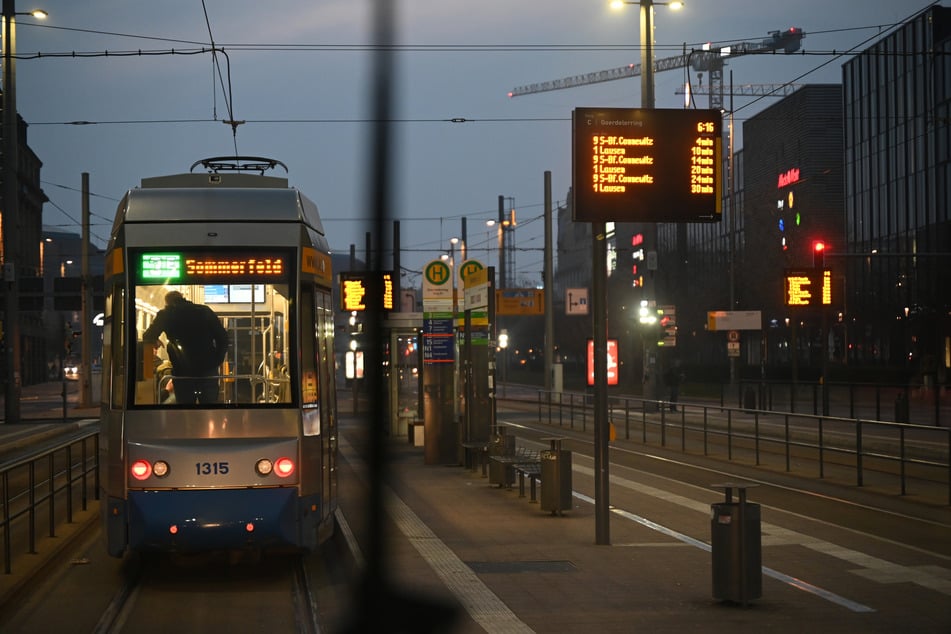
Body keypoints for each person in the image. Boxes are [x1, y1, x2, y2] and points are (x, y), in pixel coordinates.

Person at [142, 290, 229, 404]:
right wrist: (216, 361)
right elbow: (223, 338)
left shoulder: (166, 314)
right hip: (208, 369)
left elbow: (148, 336)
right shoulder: (204, 311)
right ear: (183, 298)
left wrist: (155, 340)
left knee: (185, 411)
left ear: (167, 302)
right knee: (209, 409)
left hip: (182, 371)